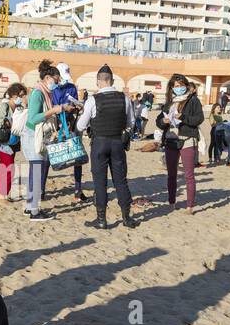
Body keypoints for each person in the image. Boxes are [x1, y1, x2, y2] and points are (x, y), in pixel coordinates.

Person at [76, 64, 140, 230]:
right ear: (112, 80)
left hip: (99, 143)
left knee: (100, 181)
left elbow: (81, 125)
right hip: (118, 142)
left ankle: (101, 220)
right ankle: (127, 218)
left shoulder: (93, 100)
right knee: (121, 180)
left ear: (98, 82)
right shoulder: (124, 98)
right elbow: (131, 122)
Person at [21, 60, 74, 221]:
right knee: (36, 173)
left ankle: (30, 207)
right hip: (33, 136)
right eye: (56, 80)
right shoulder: (38, 93)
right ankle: (34, 212)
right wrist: (54, 110)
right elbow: (33, 118)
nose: (57, 84)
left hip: (38, 135)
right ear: (48, 78)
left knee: (34, 172)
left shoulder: (46, 92)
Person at [157, 73, 204, 211]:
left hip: (187, 140)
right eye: (176, 86)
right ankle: (172, 202)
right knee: (171, 174)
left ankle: (189, 206)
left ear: (186, 85)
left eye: (181, 85)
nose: (179, 88)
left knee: (189, 175)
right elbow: (159, 122)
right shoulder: (169, 103)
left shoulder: (193, 100)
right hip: (171, 140)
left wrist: (183, 117)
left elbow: (199, 119)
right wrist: (163, 121)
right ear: (171, 88)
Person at [53, 63, 87, 202]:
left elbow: (73, 106)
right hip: (55, 125)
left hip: (71, 124)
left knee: (77, 157)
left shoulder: (71, 87)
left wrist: (76, 107)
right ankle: (41, 190)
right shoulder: (52, 89)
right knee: (50, 156)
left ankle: (78, 190)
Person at [0, 83, 27, 203]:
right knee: (8, 166)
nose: (23, 97)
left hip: (12, 141)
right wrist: (11, 123)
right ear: (14, 95)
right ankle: (2, 195)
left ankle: (0, 194)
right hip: (2, 142)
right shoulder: (4, 106)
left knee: (4, 166)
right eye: (21, 95)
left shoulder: (18, 108)